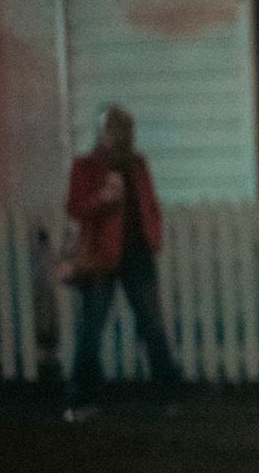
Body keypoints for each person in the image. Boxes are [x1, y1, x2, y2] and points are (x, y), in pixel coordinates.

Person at [62, 104, 184, 421]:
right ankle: (81, 398)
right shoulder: (86, 166)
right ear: (101, 132)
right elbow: (74, 207)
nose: (116, 135)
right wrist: (101, 199)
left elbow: (150, 203)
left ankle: (169, 395)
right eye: (110, 128)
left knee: (152, 324)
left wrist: (153, 238)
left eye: (121, 129)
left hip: (137, 253)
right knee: (92, 328)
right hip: (100, 255)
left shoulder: (137, 164)